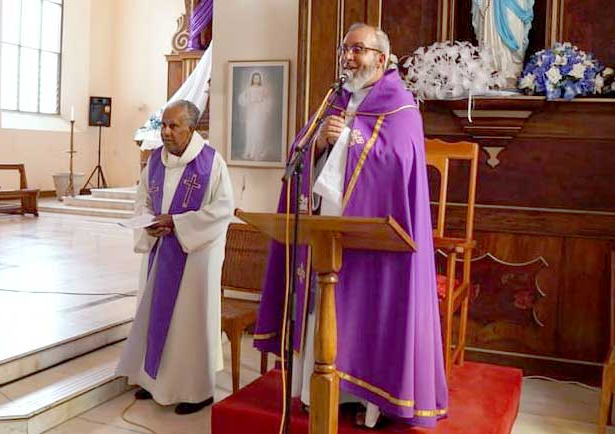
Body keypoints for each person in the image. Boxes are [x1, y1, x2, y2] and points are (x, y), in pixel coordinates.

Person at [254, 23, 448, 428]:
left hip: (371, 235)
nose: (348, 57)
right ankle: (318, 390)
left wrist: (351, 138)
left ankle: (368, 397)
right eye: (345, 49)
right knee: (323, 305)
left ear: (381, 58)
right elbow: (300, 151)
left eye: (357, 50)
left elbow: (400, 162)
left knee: (364, 311)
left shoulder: (401, 106)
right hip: (328, 222)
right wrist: (323, 142)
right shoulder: (334, 99)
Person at [116, 100, 234, 414]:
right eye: (163, 125)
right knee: (154, 313)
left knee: (188, 323)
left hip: (195, 259)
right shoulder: (155, 162)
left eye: (174, 126)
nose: (166, 132)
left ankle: (197, 391)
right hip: (159, 253)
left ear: (192, 129)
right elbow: (142, 201)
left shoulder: (211, 163)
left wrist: (179, 224)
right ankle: (152, 381)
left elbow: (222, 210)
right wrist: (149, 223)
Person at [472, 0, 535, 84]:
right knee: (494, 32)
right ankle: (494, 69)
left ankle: (512, 70)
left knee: (515, 28)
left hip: (516, 3)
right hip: (493, 4)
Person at [238, 71, 271, 160]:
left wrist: (261, 102)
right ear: (252, 79)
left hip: (259, 112)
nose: (256, 79)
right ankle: (249, 152)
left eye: (258, 78)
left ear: (260, 79)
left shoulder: (263, 89)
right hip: (251, 111)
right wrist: (249, 101)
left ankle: (257, 151)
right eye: (255, 78)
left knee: (258, 131)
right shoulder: (249, 88)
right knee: (250, 131)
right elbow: (242, 98)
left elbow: (267, 100)